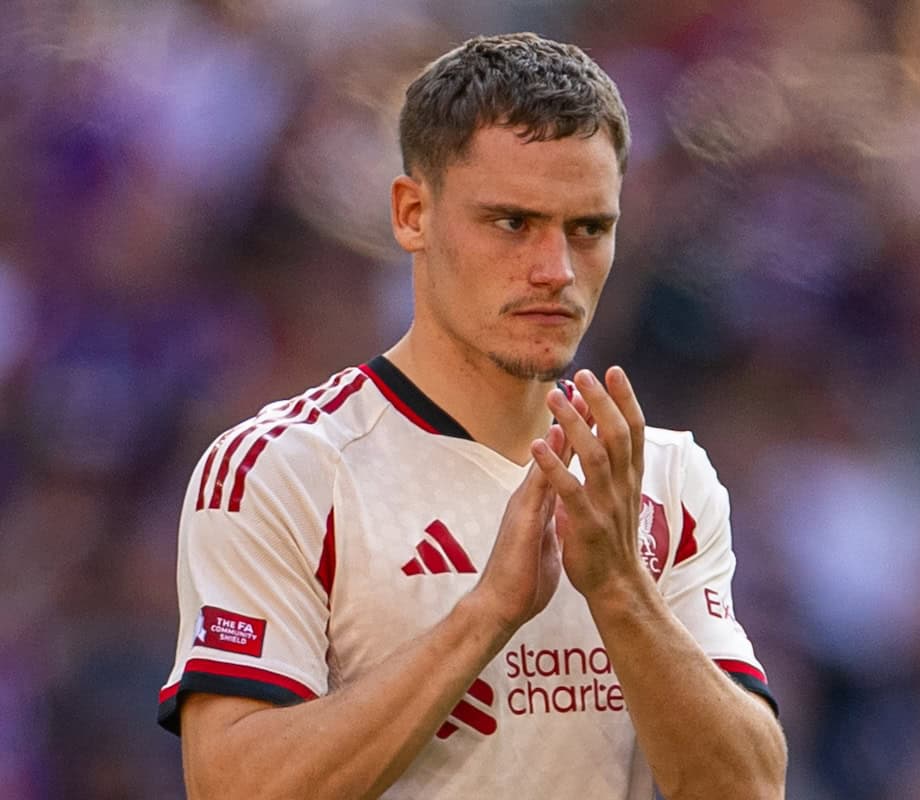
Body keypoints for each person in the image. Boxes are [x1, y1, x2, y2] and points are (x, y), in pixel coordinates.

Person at [158, 32, 787, 800]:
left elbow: (749, 788)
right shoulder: (281, 469)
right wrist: (485, 614)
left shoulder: (660, 478)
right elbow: (233, 788)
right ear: (413, 213)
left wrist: (620, 587)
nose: (556, 270)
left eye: (589, 228)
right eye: (513, 222)